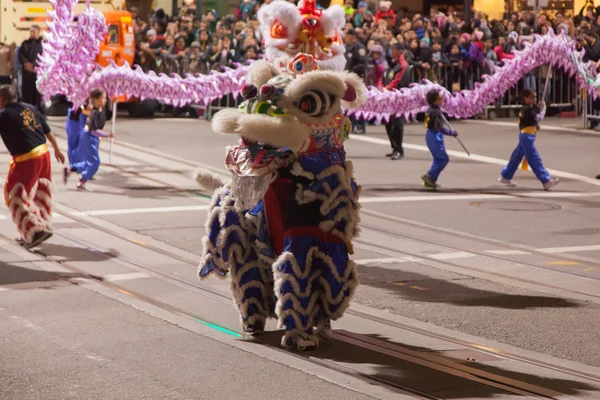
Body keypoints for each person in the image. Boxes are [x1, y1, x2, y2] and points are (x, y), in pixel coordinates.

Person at [0, 84, 65, 248]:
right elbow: (47, 130)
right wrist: (57, 149)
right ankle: (41, 224)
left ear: (1, 100)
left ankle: (34, 230)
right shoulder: (31, 108)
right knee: (41, 192)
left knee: (14, 194)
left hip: (27, 159)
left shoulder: (4, 114)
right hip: (44, 154)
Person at [498, 89, 559, 190]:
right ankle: (546, 180)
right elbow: (538, 118)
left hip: (526, 135)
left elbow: (535, 112)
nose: (534, 99)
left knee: (516, 156)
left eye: (535, 97)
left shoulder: (527, 108)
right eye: (532, 97)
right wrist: (543, 109)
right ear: (526, 99)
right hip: (527, 136)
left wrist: (540, 106)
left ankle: (506, 175)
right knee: (534, 158)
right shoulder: (528, 110)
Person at [64, 89, 114, 191]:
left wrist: (113, 103)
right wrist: (107, 134)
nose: (105, 100)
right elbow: (93, 130)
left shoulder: (101, 110)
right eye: (102, 98)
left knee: (88, 161)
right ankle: (82, 180)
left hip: (93, 138)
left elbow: (109, 115)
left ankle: (70, 169)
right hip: (89, 138)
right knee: (95, 162)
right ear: (95, 100)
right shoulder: (93, 113)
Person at [421, 89, 457, 189]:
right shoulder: (435, 112)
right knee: (443, 159)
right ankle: (430, 176)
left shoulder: (431, 109)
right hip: (434, 136)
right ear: (434, 100)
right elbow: (439, 127)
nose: (442, 100)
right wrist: (450, 133)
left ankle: (431, 180)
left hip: (430, 135)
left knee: (438, 159)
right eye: (440, 99)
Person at [382, 42, 410, 160]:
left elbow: (397, 81)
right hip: (390, 97)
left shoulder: (403, 65)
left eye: (393, 49)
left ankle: (398, 149)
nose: (391, 51)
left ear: (400, 51)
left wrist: (385, 89)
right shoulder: (393, 64)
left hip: (398, 98)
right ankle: (394, 147)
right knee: (389, 123)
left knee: (397, 124)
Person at [18, 26, 44, 112]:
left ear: (38, 32)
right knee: (26, 93)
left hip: (39, 73)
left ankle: (39, 111)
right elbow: (21, 55)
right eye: (31, 32)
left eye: (33, 32)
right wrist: (27, 64)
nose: (32, 34)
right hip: (27, 73)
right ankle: (26, 110)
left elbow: (44, 56)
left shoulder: (43, 43)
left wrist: (35, 66)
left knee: (38, 93)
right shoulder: (25, 43)